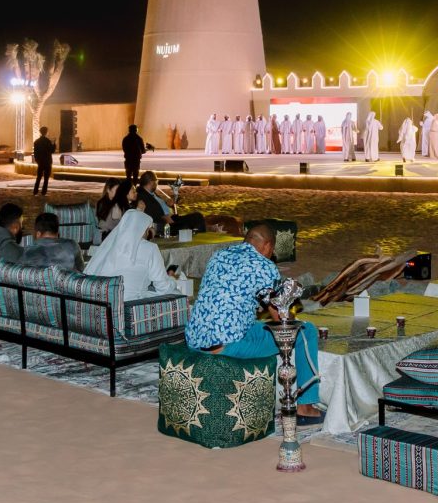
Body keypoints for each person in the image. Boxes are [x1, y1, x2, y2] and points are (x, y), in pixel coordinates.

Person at [185, 223, 323, 425]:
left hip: (195, 339)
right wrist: (292, 316)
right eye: (272, 250)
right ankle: (305, 405)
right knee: (306, 331)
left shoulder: (219, 256)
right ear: (267, 245)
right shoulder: (264, 265)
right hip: (227, 345)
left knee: (256, 325)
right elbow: (280, 318)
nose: (272, 255)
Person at [84, 209, 178, 299]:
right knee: (177, 294)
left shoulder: (109, 245)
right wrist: (172, 279)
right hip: (131, 305)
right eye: (147, 229)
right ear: (143, 229)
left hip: (102, 302)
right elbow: (163, 288)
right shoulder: (150, 248)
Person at [137, 171, 206, 233]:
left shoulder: (152, 193)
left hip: (172, 218)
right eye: (156, 181)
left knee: (197, 216)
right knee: (188, 224)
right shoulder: (143, 196)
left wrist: (168, 204)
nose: (157, 183)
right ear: (151, 182)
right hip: (166, 223)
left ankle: (201, 235)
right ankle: (200, 236)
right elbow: (153, 213)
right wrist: (168, 220)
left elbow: (159, 207)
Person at [20, 212, 84, 272]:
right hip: (65, 280)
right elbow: (81, 269)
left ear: (38, 234)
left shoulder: (27, 251)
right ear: (57, 233)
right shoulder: (72, 245)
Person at [33, 126, 55, 196]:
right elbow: (52, 151)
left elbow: (35, 152)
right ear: (46, 132)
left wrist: (37, 160)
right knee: (46, 178)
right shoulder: (48, 141)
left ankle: (35, 191)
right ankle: (43, 192)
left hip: (40, 162)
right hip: (47, 161)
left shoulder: (36, 141)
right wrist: (54, 144)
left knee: (39, 177)